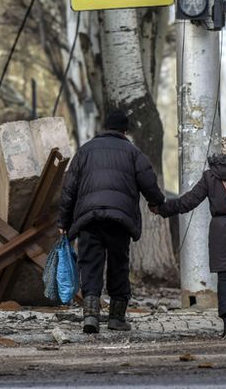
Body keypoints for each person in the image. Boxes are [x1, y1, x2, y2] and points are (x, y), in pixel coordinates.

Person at [59, 110, 166, 334]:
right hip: (120, 219)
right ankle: (116, 318)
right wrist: (156, 202)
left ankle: (90, 316)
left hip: (89, 218)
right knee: (119, 265)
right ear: (124, 130)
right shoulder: (133, 152)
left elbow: (69, 189)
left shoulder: (85, 151)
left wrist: (64, 221)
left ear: (104, 127)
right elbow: (148, 181)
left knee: (90, 264)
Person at [157, 137, 226, 339]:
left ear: (221, 153)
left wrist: (164, 208)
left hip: (220, 232)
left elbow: (189, 201)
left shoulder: (211, 176)